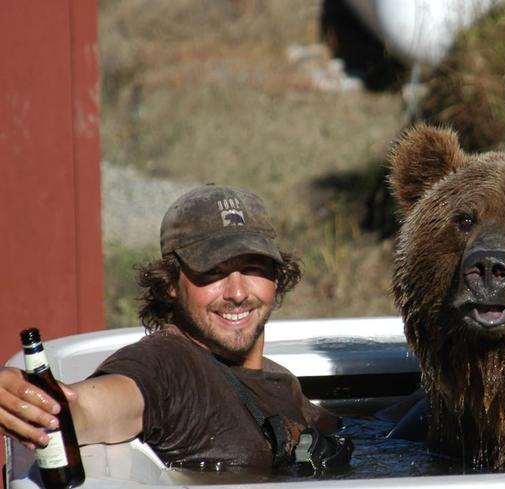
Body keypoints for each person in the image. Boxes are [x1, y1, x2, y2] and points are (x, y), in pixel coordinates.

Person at [0, 184, 348, 471]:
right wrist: (36, 402)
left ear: (277, 275)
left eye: (253, 267)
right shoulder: (168, 365)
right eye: (213, 271)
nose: (238, 292)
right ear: (170, 282)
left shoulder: (276, 378)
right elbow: (96, 406)